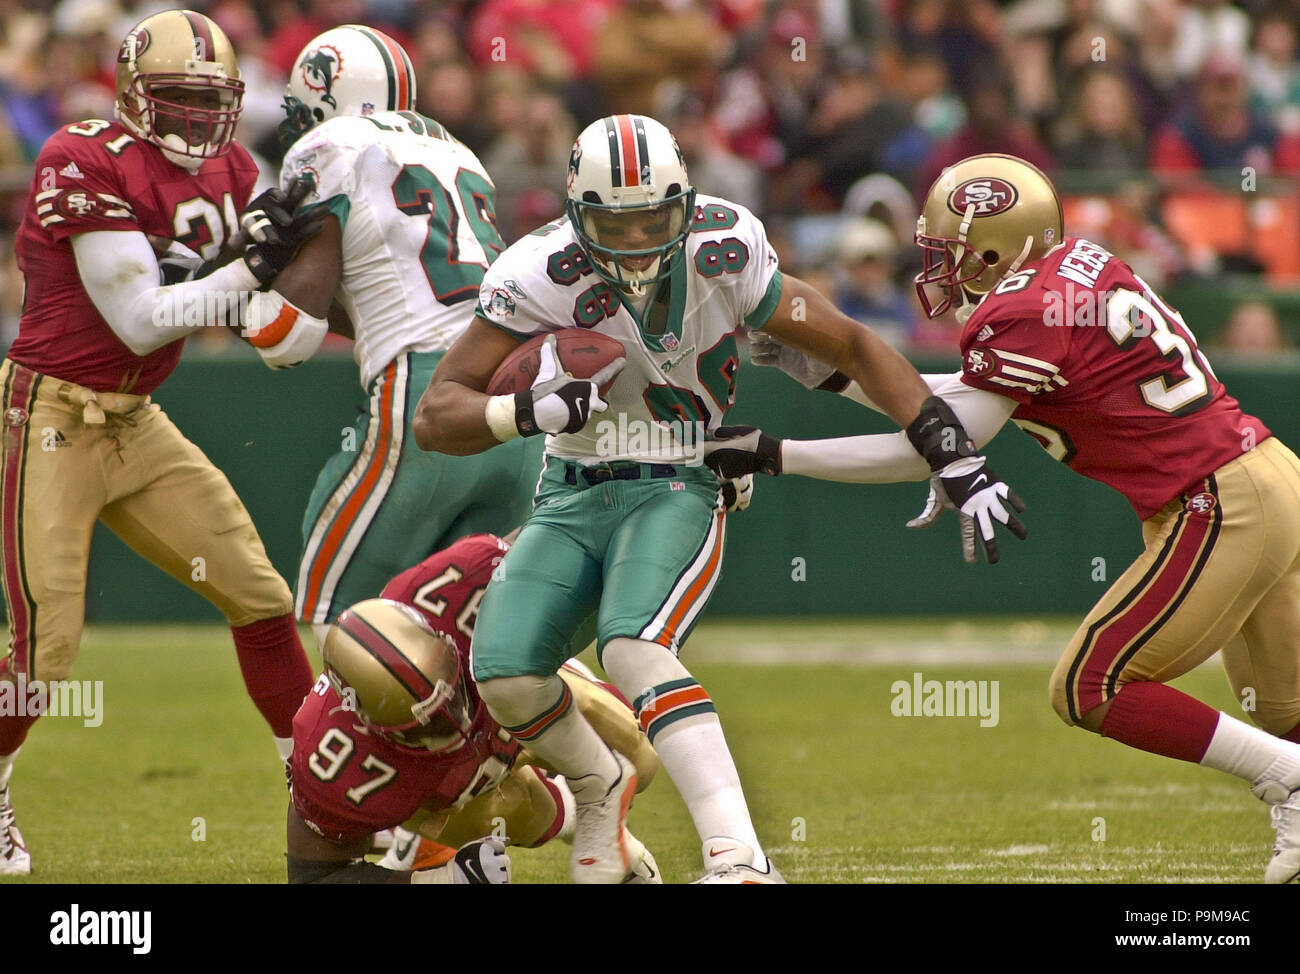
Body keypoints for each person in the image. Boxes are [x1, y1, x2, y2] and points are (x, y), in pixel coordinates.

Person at [412, 114, 1026, 883]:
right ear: (576, 216)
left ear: (687, 205)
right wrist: (522, 412)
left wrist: (949, 452)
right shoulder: (538, 271)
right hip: (570, 483)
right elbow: (436, 416)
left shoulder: (725, 249)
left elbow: (853, 348)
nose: (636, 241)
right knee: (503, 673)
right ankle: (600, 787)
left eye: (653, 219)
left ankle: (740, 858)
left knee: (635, 646)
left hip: (682, 470)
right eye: (615, 222)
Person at [707, 153, 1300, 884]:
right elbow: (945, 411)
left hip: (1216, 502)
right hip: (1269, 476)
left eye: (949, 255)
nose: (939, 272)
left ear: (995, 247)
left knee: (1090, 685)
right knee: (1282, 709)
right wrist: (827, 371)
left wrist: (775, 452)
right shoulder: (1071, 271)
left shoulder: (1019, 313)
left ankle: (1287, 782)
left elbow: (936, 443)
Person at [0, 10, 325, 876]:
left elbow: (240, 302)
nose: (196, 120)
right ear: (136, 97)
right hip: (51, 417)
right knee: (48, 642)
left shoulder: (234, 166)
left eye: (210, 101)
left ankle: (316, 788)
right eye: (178, 100)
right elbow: (141, 320)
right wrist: (248, 275)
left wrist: (277, 309)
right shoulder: (81, 155)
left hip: (136, 419)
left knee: (258, 593)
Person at [261, 25, 543, 647]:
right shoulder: (458, 150)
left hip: (429, 400)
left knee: (343, 620)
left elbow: (285, 342)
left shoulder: (329, 145)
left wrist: (250, 283)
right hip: (519, 397)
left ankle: (324, 747)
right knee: (483, 645)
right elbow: (383, 295)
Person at [287, 532, 661, 884]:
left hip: (508, 692)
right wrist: (440, 880)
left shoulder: (458, 584)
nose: (453, 723)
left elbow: (554, 545)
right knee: (535, 815)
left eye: (449, 698)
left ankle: (576, 730)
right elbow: (315, 876)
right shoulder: (336, 762)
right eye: (425, 726)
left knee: (641, 760)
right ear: (367, 722)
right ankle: (580, 819)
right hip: (455, 786)